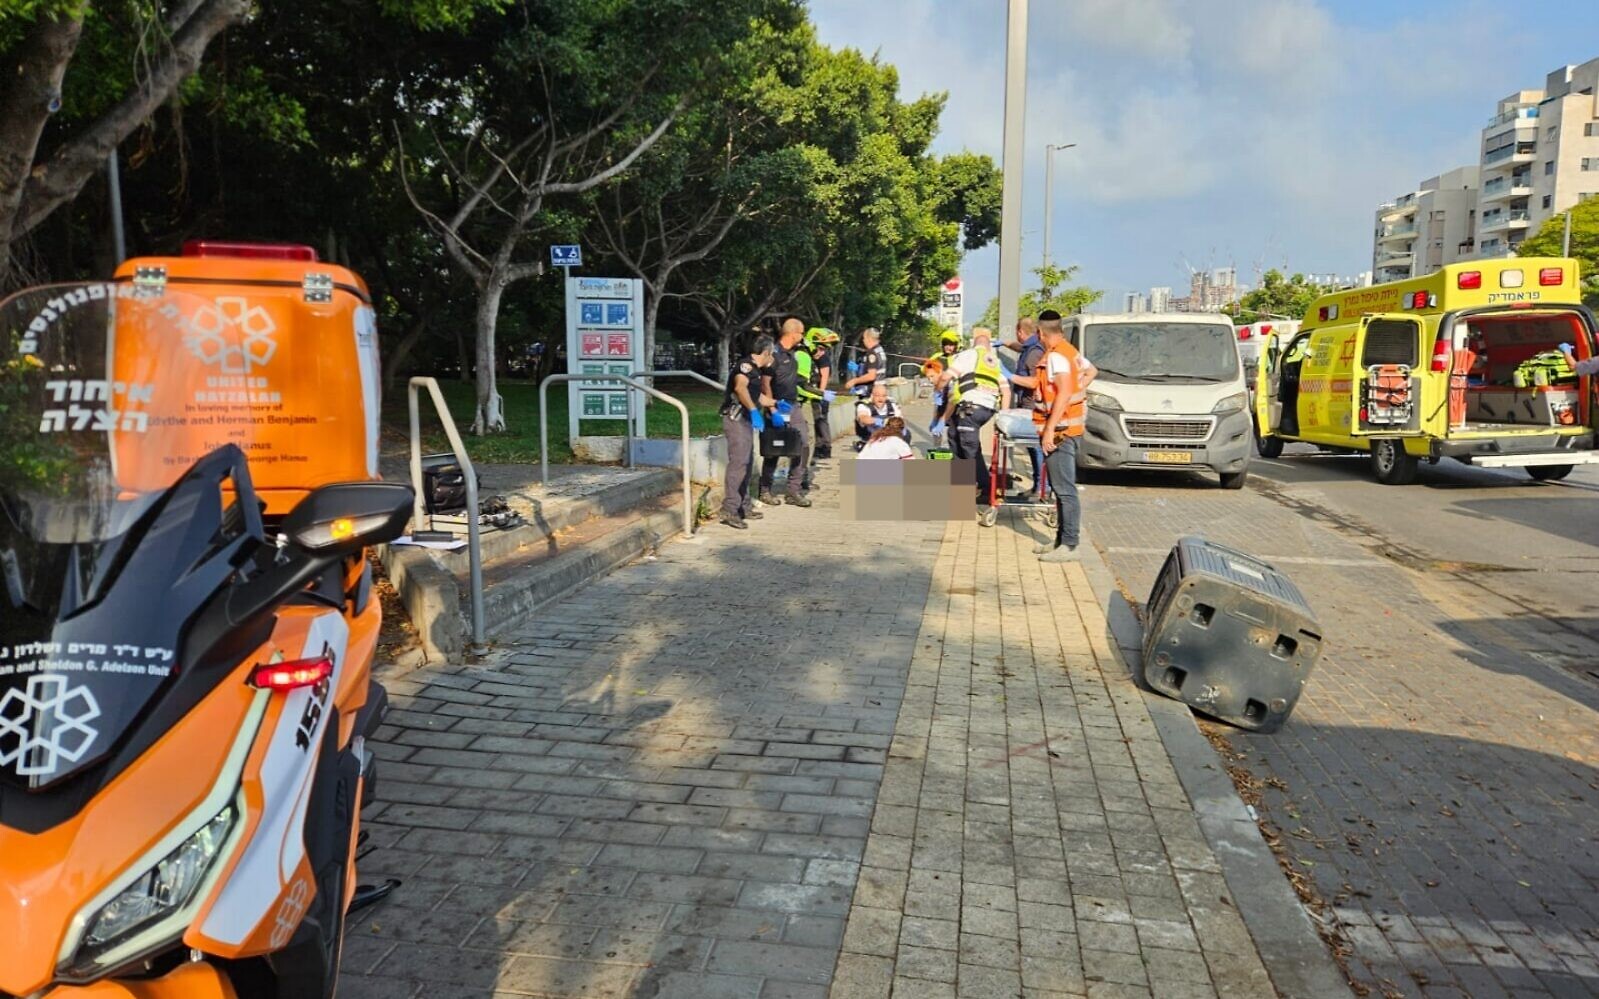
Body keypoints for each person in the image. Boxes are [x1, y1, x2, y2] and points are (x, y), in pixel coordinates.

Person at [1033, 309, 1097, 562]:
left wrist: (1049, 429)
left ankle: (1070, 545)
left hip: (1060, 431)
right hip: (1070, 428)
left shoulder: (1056, 357)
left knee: (1064, 489)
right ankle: (1061, 540)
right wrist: (1075, 393)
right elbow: (1092, 372)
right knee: (1061, 489)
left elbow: (1062, 392)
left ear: (1040, 333)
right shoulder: (1070, 352)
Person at [937, 326, 1010, 519]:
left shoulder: (967, 355)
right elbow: (1006, 390)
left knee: (969, 449)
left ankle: (985, 489)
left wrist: (937, 388)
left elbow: (946, 377)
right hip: (986, 410)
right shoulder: (995, 362)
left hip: (970, 407)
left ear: (974, 344)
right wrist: (1003, 416)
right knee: (956, 438)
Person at [719, 335, 777, 529]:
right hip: (737, 418)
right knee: (739, 463)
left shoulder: (756, 371)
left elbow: (756, 395)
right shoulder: (746, 366)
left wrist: (776, 404)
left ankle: (743, 506)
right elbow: (740, 388)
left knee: (747, 462)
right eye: (772, 354)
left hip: (745, 421)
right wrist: (753, 410)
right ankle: (729, 509)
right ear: (766, 352)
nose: (773, 359)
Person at [757, 317, 814, 507]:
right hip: (776, 406)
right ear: (793, 333)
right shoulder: (773, 354)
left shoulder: (793, 355)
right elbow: (765, 384)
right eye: (802, 333)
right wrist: (772, 409)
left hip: (793, 406)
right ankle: (765, 490)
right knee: (774, 449)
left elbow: (795, 381)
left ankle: (793, 490)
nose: (803, 337)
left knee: (802, 444)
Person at [1003, 316, 1047, 497]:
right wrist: (1003, 343)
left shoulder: (1034, 353)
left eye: (1017, 333)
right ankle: (1038, 486)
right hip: (1027, 404)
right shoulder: (1030, 347)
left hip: (1033, 406)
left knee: (1036, 447)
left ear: (1020, 332)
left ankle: (1042, 487)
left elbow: (1035, 382)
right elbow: (1018, 347)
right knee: (1032, 447)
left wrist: (1009, 376)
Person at [808, 328, 841, 460]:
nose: (822, 352)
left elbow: (825, 375)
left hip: (818, 392)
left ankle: (824, 447)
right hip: (812, 392)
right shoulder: (805, 355)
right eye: (820, 348)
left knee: (820, 420)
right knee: (817, 421)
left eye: (824, 349)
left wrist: (821, 394)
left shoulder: (823, 359)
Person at [925, 330, 962, 428]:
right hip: (941, 393)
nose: (948, 347)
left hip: (957, 396)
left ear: (956, 345)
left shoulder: (961, 357)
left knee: (955, 426)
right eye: (946, 344)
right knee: (938, 419)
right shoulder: (937, 356)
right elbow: (926, 369)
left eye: (951, 344)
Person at [855, 381, 905, 449]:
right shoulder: (863, 405)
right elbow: (863, 418)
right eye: (877, 396)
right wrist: (880, 421)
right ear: (872, 396)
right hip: (871, 435)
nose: (880, 399)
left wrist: (893, 425)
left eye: (883, 396)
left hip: (890, 434)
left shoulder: (892, 404)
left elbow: (900, 420)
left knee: (906, 433)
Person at [843, 327, 887, 398]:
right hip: (881, 389)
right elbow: (877, 368)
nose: (863, 340)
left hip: (873, 391)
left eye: (864, 338)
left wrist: (854, 381)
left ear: (869, 339)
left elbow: (871, 376)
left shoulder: (872, 353)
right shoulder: (879, 349)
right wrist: (859, 368)